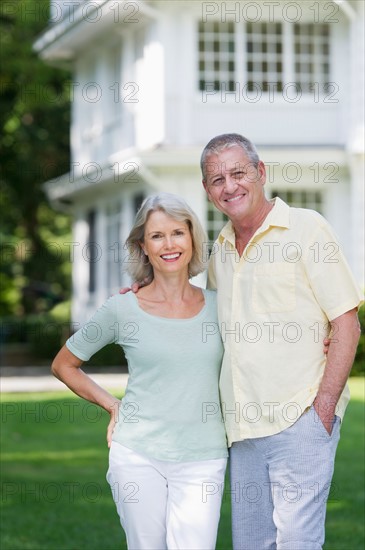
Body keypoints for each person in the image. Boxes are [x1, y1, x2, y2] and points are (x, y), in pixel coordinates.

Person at [200, 133, 363, 550]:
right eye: (217, 179)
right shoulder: (219, 251)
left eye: (238, 173)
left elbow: (346, 322)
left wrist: (323, 410)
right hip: (242, 429)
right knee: (252, 545)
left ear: (260, 173)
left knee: (297, 543)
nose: (229, 186)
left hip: (300, 419)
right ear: (208, 191)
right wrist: (141, 295)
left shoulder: (307, 227)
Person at [51, 193, 228, 550]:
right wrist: (112, 405)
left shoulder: (220, 305)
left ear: (192, 237)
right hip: (137, 453)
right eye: (157, 236)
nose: (169, 244)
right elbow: (64, 364)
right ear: (143, 246)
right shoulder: (123, 308)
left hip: (204, 457)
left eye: (177, 232)